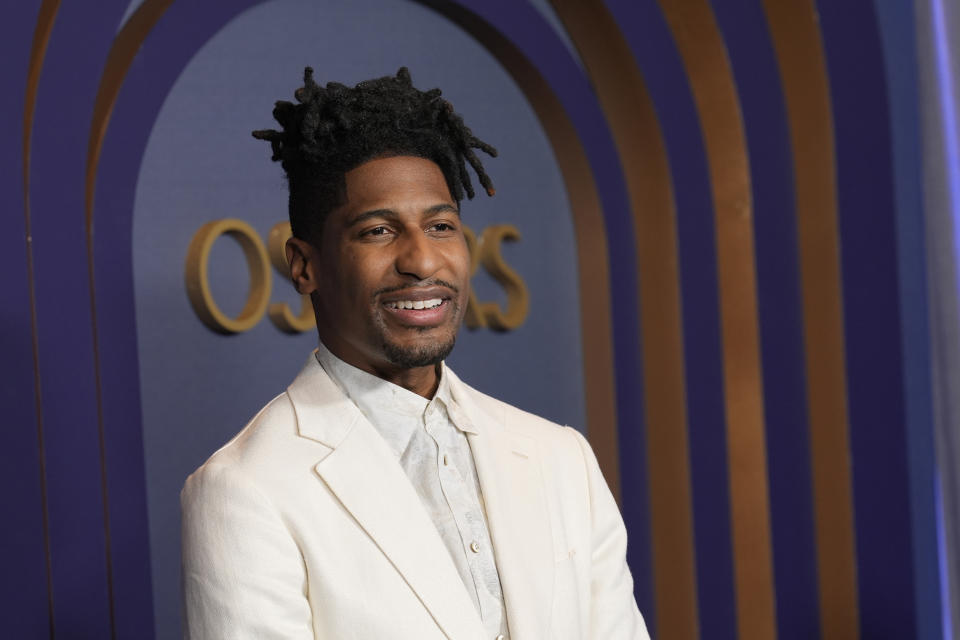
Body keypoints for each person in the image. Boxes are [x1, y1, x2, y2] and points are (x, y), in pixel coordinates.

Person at [181, 67, 649, 640]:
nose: (423, 261)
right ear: (304, 266)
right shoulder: (243, 490)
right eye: (377, 231)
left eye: (442, 225)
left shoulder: (561, 457)